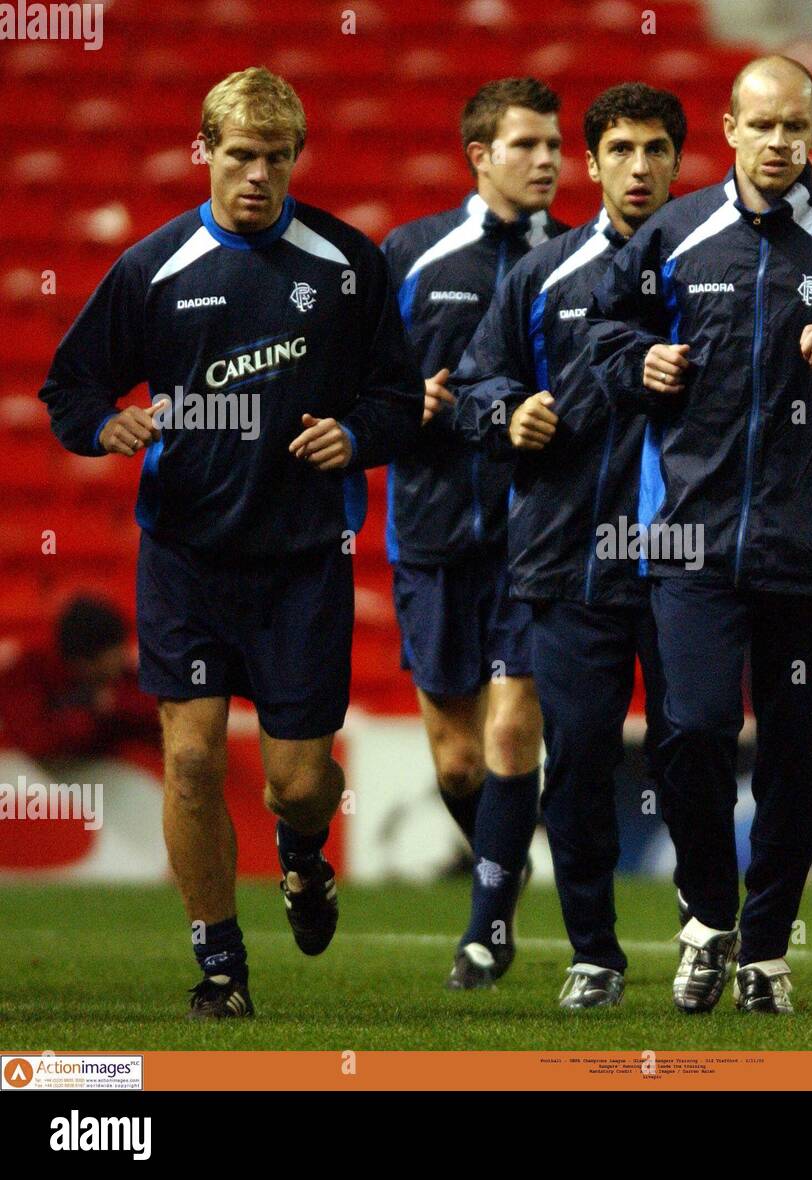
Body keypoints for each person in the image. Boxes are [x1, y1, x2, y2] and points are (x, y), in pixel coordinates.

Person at [38, 67, 424, 1019]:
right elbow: (70, 391)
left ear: (297, 158)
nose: (258, 174)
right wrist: (105, 429)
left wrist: (359, 436)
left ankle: (303, 854)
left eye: (277, 157)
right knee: (193, 761)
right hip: (185, 555)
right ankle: (220, 965)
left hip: (302, 561)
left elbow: (400, 397)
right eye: (241, 155)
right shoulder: (152, 270)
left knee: (297, 785)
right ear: (203, 151)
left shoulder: (344, 264)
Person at [588, 56, 812, 1014]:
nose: (781, 143)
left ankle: (765, 949)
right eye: (764, 126)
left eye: (798, 128)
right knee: (694, 727)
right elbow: (604, 338)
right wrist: (640, 362)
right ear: (731, 129)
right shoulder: (673, 232)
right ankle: (709, 916)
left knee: (802, 759)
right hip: (688, 545)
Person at [453, 82, 686, 1008]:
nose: (639, 167)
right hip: (569, 558)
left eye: (656, 148)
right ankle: (595, 951)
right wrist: (512, 413)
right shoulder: (541, 276)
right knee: (582, 754)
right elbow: (475, 388)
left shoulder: (717, 266)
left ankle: (713, 939)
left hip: (691, 565)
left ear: (679, 157)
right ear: (590, 164)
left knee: (696, 750)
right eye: (621, 149)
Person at [381, 78, 566, 989]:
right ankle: (505, 858)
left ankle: (486, 928)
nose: (546, 161)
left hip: (537, 537)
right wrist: (395, 406)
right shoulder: (410, 256)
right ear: (479, 155)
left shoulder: (583, 259)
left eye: (555, 145)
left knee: (509, 734)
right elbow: (352, 394)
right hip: (434, 534)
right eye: (526, 144)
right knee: (459, 763)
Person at [0, 596, 158, 763]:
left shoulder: (123, 675)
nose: (120, 664)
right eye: (111, 661)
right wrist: (87, 713)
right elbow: (34, 742)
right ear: (84, 663)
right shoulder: (29, 669)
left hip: (89, 766)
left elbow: (156, 716)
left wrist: (115, 705)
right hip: (23, 762)